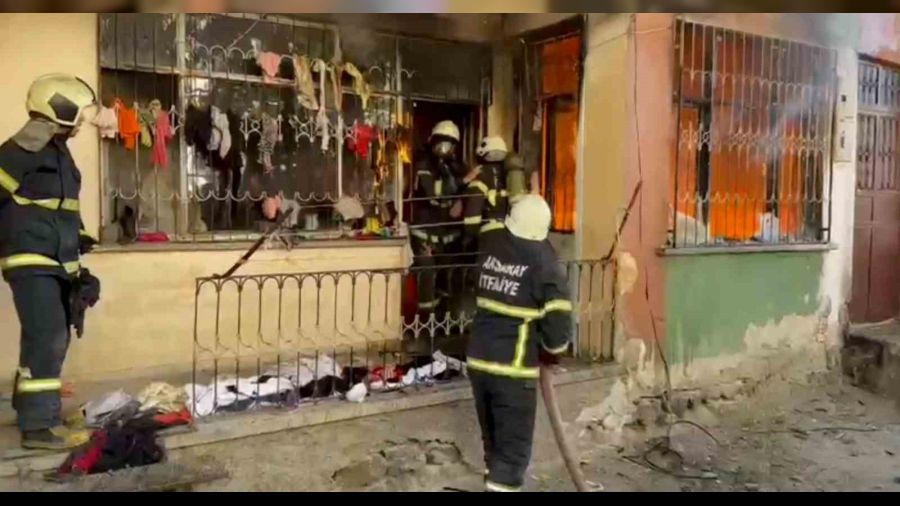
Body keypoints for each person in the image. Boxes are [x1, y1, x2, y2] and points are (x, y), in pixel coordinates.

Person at [0, 74, 100, 449]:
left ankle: (29, 407)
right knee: (48, 336)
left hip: (57, 259)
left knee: (49, 336)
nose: (83, 120)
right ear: (61, 109)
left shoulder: (58, 152)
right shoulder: (19, 151)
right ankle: (38, 427)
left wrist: (80, 239)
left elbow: (61, 208)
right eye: (79, 112)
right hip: (30, 258)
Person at [467, 194, 573, 492]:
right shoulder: (545, 264)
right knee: (512, 456)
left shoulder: (491, 245)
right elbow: (558, 332)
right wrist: (551, 352)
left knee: (494, 448)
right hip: (513, 371)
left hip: (479, 362)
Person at [408, 120, 466, 315]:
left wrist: (462, 198)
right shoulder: (423, 166)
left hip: (448, 237)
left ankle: (445, 319)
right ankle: (425, 322)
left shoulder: (456, 168)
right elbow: (433, 192)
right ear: (432, 142)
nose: (444, 149)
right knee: (426, 278)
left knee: (447, 280)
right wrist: (462, 182)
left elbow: (468, 190)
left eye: (449, 144)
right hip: (425, 236)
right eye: (441, 143)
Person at [458, 136, 510, 252]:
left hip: (488, 233)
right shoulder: (508, 174)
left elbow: (473, 213)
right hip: (509, 230)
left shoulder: (479, 176)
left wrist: (469, 238)